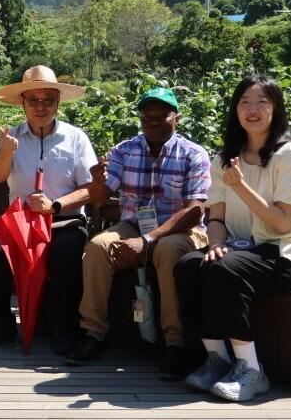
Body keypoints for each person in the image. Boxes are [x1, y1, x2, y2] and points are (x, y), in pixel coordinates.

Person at [175, 75, 291, 402]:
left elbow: (283, 225)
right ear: (235, 110)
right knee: (190, 265)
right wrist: (215, 243)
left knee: (224, 269)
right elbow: (215, 217)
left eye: (262, 102)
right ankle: (216, 359)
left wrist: (240, 186)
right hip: (244, 249)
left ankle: (251, 369)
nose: (252, 109)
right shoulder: (225, 159)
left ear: (277, 109)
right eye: (245, 101)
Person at [68, 86, 211, 379]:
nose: (153, 121)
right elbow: (97, 199)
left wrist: (147, 241)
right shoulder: (125, 150)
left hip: (183, 230)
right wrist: (97, 180)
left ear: (177, 118)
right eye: (147, 116)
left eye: (161, 115)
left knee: (167, 250)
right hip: (133, 226)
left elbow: (195, 211)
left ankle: (175, 344)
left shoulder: (194, 155)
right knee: (97, 246)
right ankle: (94, 333)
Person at [0, 66, 98, 354]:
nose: (41, 107)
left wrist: (55, 205)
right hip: (21, 225)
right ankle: (2, 322)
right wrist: (7, 151)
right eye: (33, 100)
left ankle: (64, 326)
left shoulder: (76, 138)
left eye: (48, 100)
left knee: (65, 254)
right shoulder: (11, 136)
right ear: (22, 103)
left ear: (58, 103)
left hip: (65, 221)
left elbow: (90, 188)